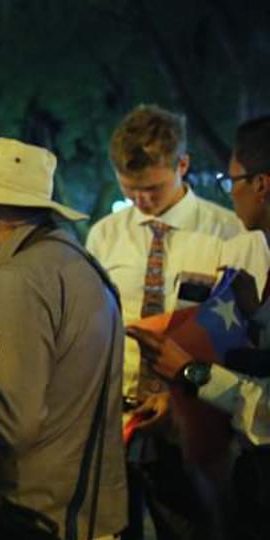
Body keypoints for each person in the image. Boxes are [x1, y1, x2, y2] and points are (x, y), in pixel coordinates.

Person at [0, 138, 128, 539]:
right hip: (89, 514)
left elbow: (10, 424)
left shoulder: (20, 276)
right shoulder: (76, 261)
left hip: (36, 515)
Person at [86, 104, 245, 540]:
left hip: (196, 412)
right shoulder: (104, 235)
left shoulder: (226, 232)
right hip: (120, 415)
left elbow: (231, 331)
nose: (142, 202)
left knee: (199, 526)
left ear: (183, 165)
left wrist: (177, 398)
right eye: (131, 190)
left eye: (153, 189)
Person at [127, 114, 270, 540]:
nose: (232, 192)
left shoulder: (225, 234)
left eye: (233, 180)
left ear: (261, 184)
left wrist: (190, 374)